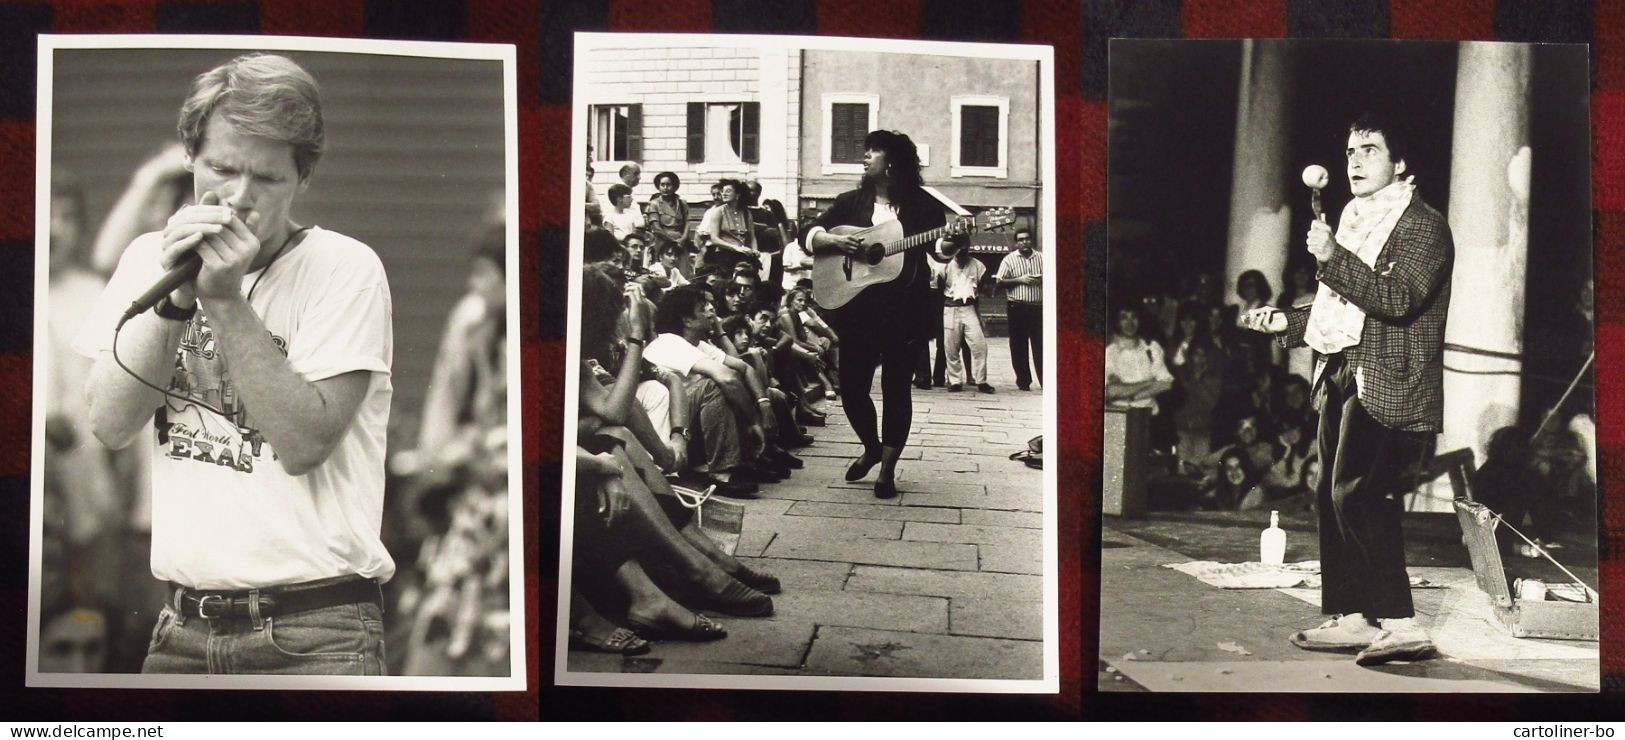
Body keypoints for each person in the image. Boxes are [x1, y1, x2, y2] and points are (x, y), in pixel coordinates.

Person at [74, 53, 393, 675]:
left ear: (303, 177)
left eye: (268, 178)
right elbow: (110, 425)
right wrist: (176, 301)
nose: (239, 198)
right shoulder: (148, 258)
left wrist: (221, 299)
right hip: (183, 628)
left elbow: (303, 442)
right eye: (221, 168)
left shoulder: (346, 268)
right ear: (189, 158)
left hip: (316, 631)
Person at [1242, 113, 1452, 666]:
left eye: (1370, 150)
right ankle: (1355, 615)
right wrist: (1285, 322)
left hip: (1387, 378)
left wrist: (1332, 257)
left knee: (1357, 493)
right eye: (1350, 150)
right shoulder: (1357, 217)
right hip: (1337, 369)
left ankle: (1403, 623)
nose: (1354, 160)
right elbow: (1342, 306)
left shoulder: (1422, 226)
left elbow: (1398, 298)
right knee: (1327, 495)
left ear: (1400, 163)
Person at [804, 130, 958, 500]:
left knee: (896, 389)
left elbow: (938, 249)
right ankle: (872, 447)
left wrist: (948, 243)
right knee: (853, 388)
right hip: (858, 310)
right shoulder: (850, 202)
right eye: (866, 149)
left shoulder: (922, 204)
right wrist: (835, 241)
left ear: (891, 162)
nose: (865, 157)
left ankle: (887, 469)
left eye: (873, 151)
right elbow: (806, 234)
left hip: (905, 311)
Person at [941, 242, 993, 394]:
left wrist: (979, 313)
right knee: (951, 347)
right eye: (958, 248)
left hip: (969, 307)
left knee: (980, 346)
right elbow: (938, 288)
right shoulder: (945, 265)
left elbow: (985, 288)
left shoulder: (978, 265)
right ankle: (955, 381)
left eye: (964, 248)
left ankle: (981, 380)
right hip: (950, 307)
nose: (961, 251)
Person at [995, 227, 1043, 390]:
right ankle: (1023, 381)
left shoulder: (1042, 259)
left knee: (1041, 345)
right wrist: (1020, 280)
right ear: (1016, 243)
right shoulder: (1009, 260)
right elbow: (1000, 281)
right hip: (1017, 307)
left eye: (1027, 239)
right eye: (1021, 239)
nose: (1024, 242)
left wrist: (1042, 280)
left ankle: (1045, 381)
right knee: (1018, 345)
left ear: (1032, 240)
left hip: (1038, 307)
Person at [696, 179, 758, 272]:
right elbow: (714, 239)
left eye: (728, 191)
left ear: (737, 195)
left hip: (744, 256)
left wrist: (755, 251)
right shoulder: (718, 212)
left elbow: (752, 237)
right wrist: (735, 247)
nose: (724, 194)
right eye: (722, 191)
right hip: (724, 256)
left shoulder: (746, 213)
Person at [644, 171, 690, 261]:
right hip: (663, 241)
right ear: (658, 186)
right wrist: (672, 241)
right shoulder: (654, 204)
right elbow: (656, 228)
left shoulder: (682, 203)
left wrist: (683, 238)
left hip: (681, 241)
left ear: (674, 186)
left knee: (682, 268)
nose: (665, 188)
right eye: (662, 185)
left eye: (669, 185)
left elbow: (687, 223)